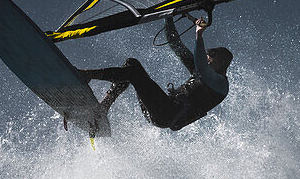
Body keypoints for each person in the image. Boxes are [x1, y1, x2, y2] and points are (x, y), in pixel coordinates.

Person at [81, 16, 232, 131]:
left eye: (210, 59)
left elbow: (203, 68)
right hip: (159, 109)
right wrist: (169, 16)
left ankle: (87, 74)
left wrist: (199, 35)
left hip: (167, 114)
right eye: (206, 58)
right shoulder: (200, 71)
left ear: (222, 64)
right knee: (131, 64)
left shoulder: (221, 85)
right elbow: (175, 44)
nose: (207, 61)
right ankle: (104, 106)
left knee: (134, 73)